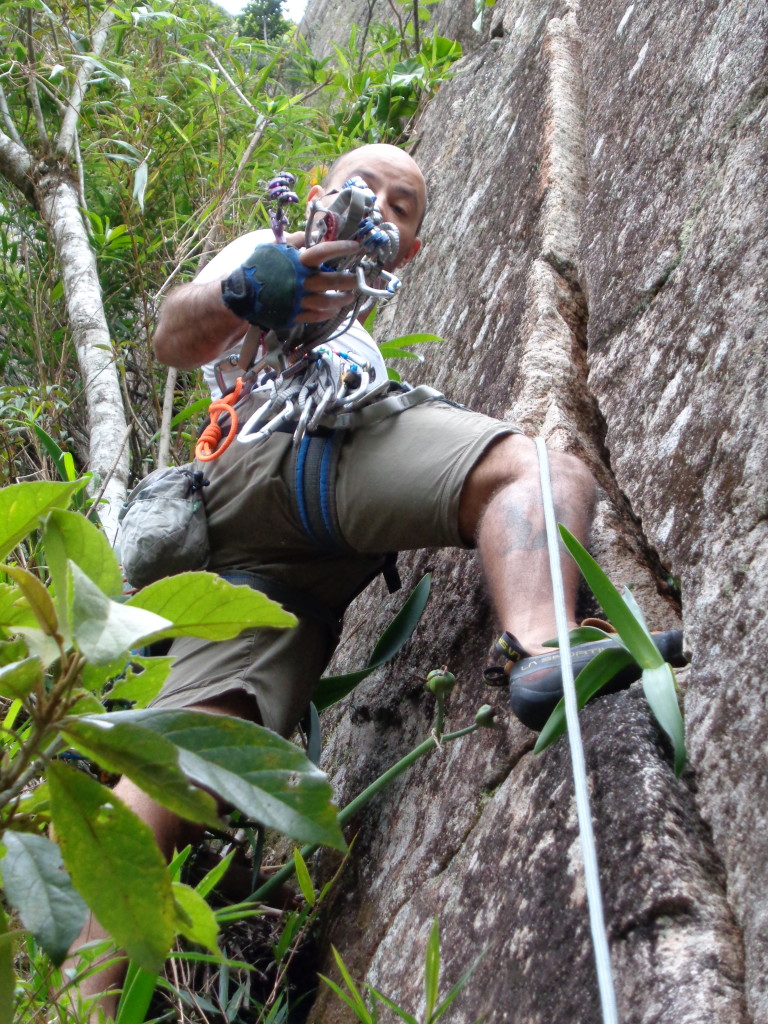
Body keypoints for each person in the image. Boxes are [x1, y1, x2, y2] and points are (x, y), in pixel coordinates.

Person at [70, 143, 597, 1020]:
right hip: (271, 476)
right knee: (537, 472)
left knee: (192, 759)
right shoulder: (263, 248)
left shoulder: (361, 318)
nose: (382, 208)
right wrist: (252, 288)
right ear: (319, 194)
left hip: (317, 532)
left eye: (404, 205)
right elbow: (174, 334)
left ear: (415, 248)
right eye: (367, 189)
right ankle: (74, 1003)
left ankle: (543, 652)